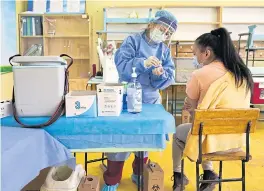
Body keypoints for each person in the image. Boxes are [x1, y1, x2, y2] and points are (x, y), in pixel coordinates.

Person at [101, 10, 178, 191]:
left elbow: (168, 76)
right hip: (128, 100)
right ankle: (112, 178)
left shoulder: (164, 50)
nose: (164, 34)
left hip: (150, 101)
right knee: (121, 139)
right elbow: (121, 65)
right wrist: (142, 63)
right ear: (152, 24)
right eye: (162, 29)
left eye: (168, 33)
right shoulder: (132, 41)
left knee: (145, 139)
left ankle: (138, 173)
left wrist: (161, 74)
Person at [172, 28, 253, 191]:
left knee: (180, 134)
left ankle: (179, 177)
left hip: (211, 139)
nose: (195, 57)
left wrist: (194, 107)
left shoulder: (199, 74)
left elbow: (193, 108)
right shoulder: (242, 73)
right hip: (237, 140)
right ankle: (209, 174)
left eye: (195, 53)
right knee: (203, 129)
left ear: (207, 53)